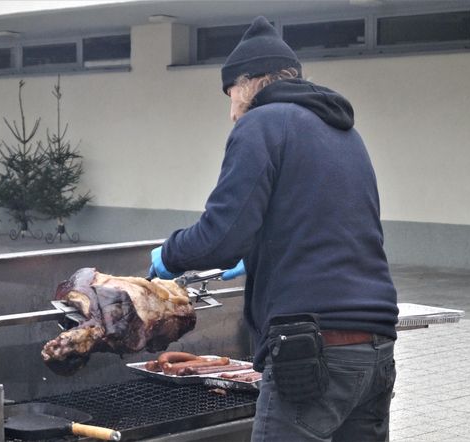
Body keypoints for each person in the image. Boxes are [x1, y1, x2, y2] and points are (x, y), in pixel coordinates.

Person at [148, 16, 398, 442]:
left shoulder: (262, 123)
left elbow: (219, 238)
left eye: (230, 95)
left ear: (249, 83)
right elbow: (321, 225)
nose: (231, 112)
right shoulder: (345, 133)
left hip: (312, 353)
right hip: (375, 352)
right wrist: (254, 258)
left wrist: (168, 256)